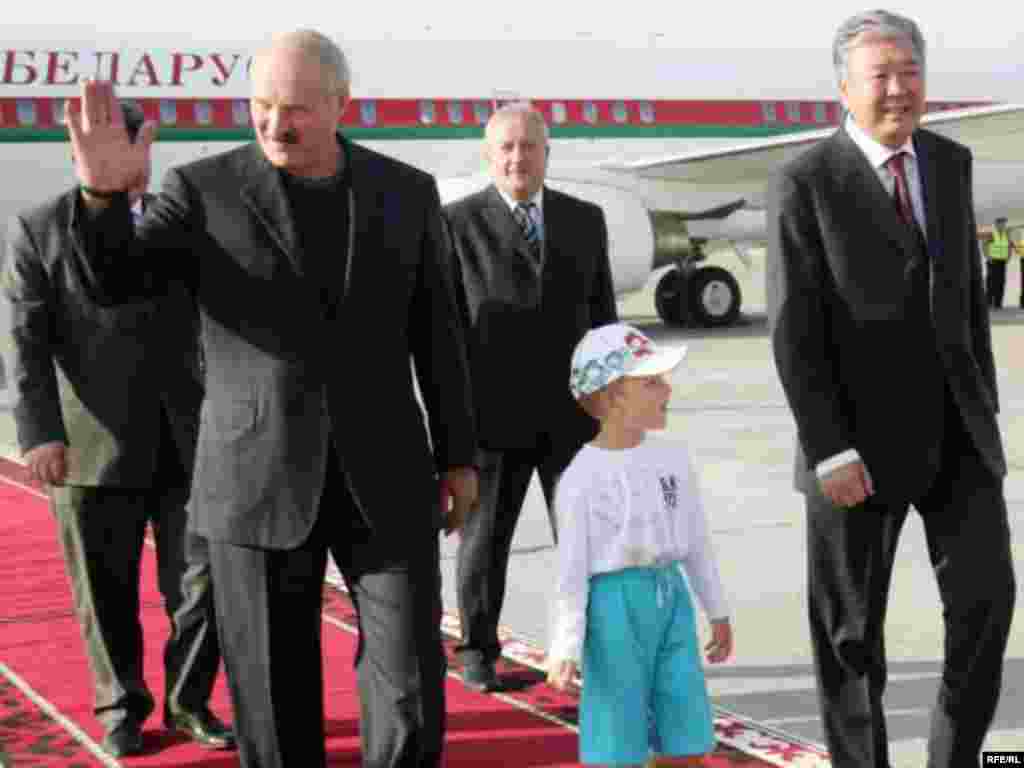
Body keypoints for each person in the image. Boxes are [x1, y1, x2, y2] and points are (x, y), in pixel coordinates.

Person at [63, 30, 479, 768]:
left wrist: (458, 455)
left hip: (385, 474)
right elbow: (113, 287)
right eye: (259, 105)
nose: (273, 124)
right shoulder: (202, 192)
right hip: (254, 480)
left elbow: (438, 334)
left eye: (295, 110)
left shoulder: (405, 193)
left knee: (411, 686)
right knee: (275, 708)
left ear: (341, 104)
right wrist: (101, 199)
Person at [767, 10, 1015, 767]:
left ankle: (952, 757)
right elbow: (792, 331)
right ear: (844, 86)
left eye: (911, 73)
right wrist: (828, 447)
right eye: (882, 75)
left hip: (959, 438)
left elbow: (966, 298)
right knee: (849, 635)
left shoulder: (949, 162)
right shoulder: (803, 181)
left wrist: (986, 410)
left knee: (987, 605)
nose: (900, 90)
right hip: (854, 450)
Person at [2, 101, 233, 757]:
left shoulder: (184, 223)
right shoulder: (40, 228)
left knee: (204, 583)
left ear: (145, 144)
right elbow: (26, 342)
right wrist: (39, 432)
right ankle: (121, 708)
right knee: (105, 596)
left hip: (192, 445)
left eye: (119, 141)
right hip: (90, 447)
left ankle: (190, 702)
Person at [443, 103, 618, 691]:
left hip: (572, 419)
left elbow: (604, 322)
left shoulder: (585, 220)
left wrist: (611, 407)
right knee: (485, 542)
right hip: (492, 419)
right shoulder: (456, 224)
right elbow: (446, 333)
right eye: (507, 148)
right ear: (490, 156)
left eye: (529, 146)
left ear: (547, 152)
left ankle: (588, 652)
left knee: (585, 544)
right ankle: (476, 651)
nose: (518, 157)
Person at [545, 323, 733, 768]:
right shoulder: (580, 479)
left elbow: (695, 540)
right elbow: (571, 573)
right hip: (614, 608)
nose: (667, 389)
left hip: (671, 599)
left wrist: (717, 610)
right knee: (618, 722)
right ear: (612, 397)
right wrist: (566, 646)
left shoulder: (672, 459)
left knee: (683, 713)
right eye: (651, 382)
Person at [985, 216, 1017, 308]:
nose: (1003, 225)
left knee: (1001, 282)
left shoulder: (1006, 234)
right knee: (991, 282)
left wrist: (1009, 256)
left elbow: (1010, 246)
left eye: (1004, 223)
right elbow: (985, 246)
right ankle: (989, 302)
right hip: (992, 261)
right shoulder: (992, 234)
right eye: (1001, 223)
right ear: (996, 224)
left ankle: (998, 303)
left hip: (1002, 262)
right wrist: (988, 257)